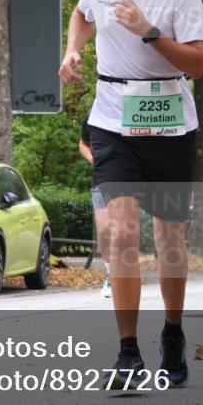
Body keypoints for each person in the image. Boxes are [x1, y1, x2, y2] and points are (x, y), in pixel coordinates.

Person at [59, 0, 203, 390]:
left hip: (168, 121)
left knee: (169, 241)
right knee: (120, 236)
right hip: (112, 118)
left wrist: (148, 31)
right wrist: (73, 50)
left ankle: (172, 333)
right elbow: (82, 15)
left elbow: (196, 64)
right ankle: (127, 352)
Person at [79, 114, 111, 299]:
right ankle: (110, 273)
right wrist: (93, 159)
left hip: (127, 181)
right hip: (100, 180)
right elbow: (83, 143)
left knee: (123, 230)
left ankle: (124, 273)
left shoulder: (130, 111)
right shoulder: (92, 116)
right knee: (104, 230)